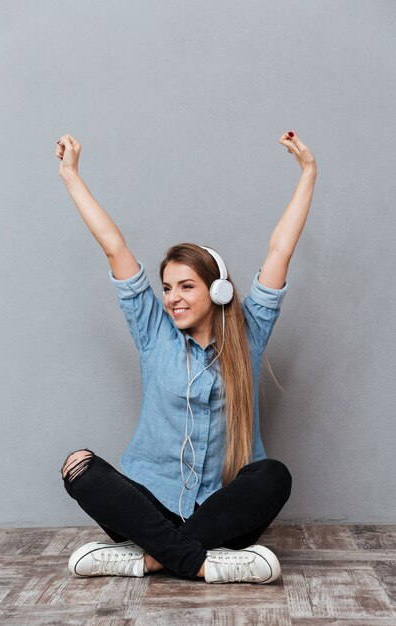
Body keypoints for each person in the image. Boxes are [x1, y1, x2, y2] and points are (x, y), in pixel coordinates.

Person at [56, 131, 317, 583]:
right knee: (79, 465)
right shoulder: (153, 332)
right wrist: (70, 174)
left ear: (217, 290)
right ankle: (201, 563)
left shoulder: (248, 335)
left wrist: (308, 172)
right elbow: (114, 246)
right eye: (168, 288)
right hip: (150, 508)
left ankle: (149, 560)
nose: (173, 298)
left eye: (186, 286)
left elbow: (281, 249)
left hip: (221, 514)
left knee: (274, 475)